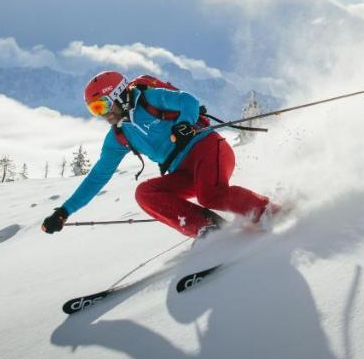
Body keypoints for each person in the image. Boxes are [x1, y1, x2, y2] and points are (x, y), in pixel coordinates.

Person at [41, 71, 277, 239]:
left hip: (206, 148)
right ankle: (207, 229)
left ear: (119, 95)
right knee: (146, 193)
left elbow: (188, 101)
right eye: (94, 111)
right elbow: (97, 177)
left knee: (211, 195)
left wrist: (184, 124)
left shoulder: (148, 99)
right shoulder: (119, 136)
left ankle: (269, 212)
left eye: (101, 106)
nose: (101, 115)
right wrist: (64, 211)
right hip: (181, 171)